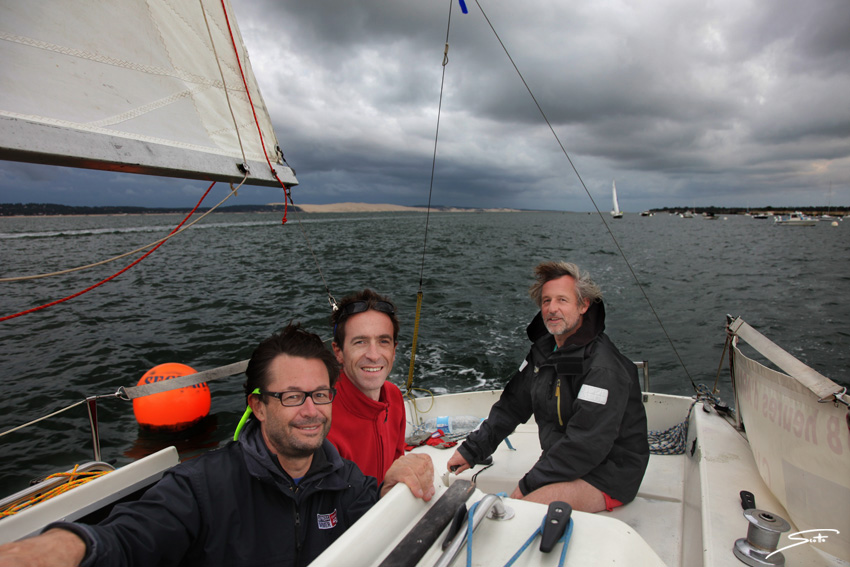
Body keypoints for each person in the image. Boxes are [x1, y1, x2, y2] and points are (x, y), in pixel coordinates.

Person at [0, 323, 434, 567]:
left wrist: (390, 483)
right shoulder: (201, 487)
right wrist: (64, 547)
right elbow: (131, 537)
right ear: (259, 407)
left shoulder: (343, 479)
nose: (311, 410)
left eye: (320, 394)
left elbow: (379, 521)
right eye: (291, 396)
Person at [446, 261, 649, 513]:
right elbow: (512, 406)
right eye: (546, 301)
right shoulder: (543, 352)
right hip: (565, 461)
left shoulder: (603, 369)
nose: (552, 309)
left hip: (608, 473)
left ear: (583, 305)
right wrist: (472, 450)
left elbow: (586, 443)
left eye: (562, 300)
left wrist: (530, 484)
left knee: (516, 511)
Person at [326, 289, 406, 484]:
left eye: (383, 341)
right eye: (360, 342)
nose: (373, 354)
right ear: (339, 352)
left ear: (394, 351)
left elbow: (397, 462)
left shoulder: (394, 396)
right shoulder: (322, 418)